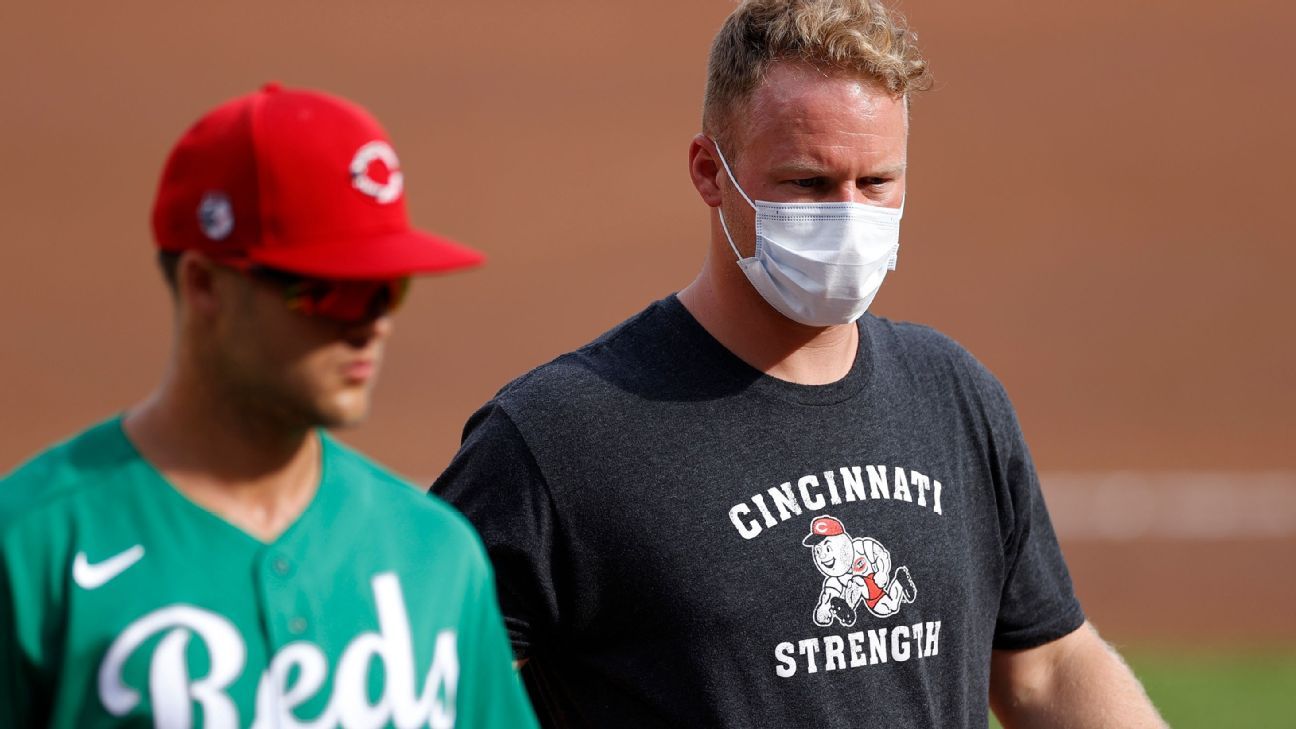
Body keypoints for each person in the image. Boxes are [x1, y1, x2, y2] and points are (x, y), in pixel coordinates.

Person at [431, 1, 1168, 727]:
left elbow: (1045, 668)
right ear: (709, 173)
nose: (849, 216)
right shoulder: (558, 438)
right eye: (808, 184)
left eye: (876, 182)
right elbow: (426, 690)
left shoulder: (954, 394)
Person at [1, 83, 539, 729]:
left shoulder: (434, 554)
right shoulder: (34, 545)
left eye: (385, 290)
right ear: (205, 284)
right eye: (329, 291)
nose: (372, 325)